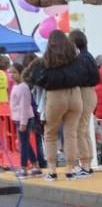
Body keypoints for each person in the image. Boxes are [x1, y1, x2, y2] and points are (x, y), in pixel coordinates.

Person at [36, 30, 87, 181]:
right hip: (75, 94)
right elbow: (83, 74)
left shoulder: (47, 59)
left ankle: (52, 170)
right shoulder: (75, 56)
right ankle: (70, 169)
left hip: (55, 95)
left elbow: (38, 78)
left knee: (50, 133)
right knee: (71, 133)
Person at [68, 30, 101, 175]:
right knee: (84, 129)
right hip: (90, 93)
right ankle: (87, 162)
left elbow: (79, 77)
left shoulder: (81, 59)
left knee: (80, 130)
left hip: (84, 93)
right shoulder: (89, 56)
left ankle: (86, 164)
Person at [9, 63, 41, 177]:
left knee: (24, 143)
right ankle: (35, 165)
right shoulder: (16, 86)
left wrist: (23, 122)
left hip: (25, 118)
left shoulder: (23, 87)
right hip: (19, 118)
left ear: (20, 73)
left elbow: (24, 105)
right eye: (10, 72)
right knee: (25, 142)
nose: (11, 75)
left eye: (14, 72)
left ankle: (23, 168)